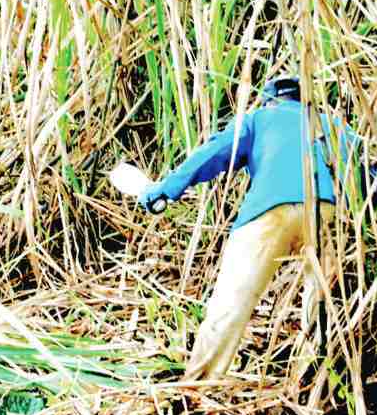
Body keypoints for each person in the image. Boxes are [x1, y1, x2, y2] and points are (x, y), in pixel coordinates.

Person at [140, 77, 363, 383]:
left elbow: (215, 152)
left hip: (269, 209)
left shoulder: (260, 118)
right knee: (320, 303)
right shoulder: (329, 123)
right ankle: (312, 382)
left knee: (233, 300)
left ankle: (200, 384)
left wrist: (165, 190)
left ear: (270, 100)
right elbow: (363, 165)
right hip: (326, 210)